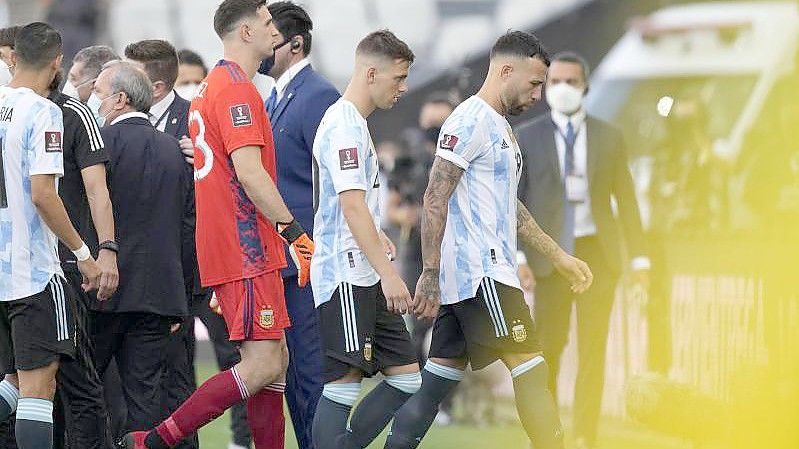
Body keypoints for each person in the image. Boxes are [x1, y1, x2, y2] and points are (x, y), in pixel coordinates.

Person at [384, 31, 593, 449]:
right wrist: (429, 272)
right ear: (505, 70)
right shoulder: (469, 120)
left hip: (476, 277)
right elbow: (434, 194)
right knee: (532, 368)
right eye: (535, 83)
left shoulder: (498, 125)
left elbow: (509, 207)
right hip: (483, 276)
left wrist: (559, 255)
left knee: (433, 387)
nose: (540, 93)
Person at [121, 1, 315, 448]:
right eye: (268, 23)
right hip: (244, 246)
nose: (275, 31)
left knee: (274, 362)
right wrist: (294, 233)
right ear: (246, 32)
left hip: (238, 245)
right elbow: (249, 172)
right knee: (263, 364)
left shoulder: (212, 88)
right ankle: (156, 440)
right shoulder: (235, 90)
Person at [515, 52, 649, 449]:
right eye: (554, 81)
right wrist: (521, 258)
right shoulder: (528, 136)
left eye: (571, 82)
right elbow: (516, 201)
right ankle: (547, 434)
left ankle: (586, 436)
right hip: (548, 257)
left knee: (593, 350)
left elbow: (626, 202)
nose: (562, 89)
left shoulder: (610, 136)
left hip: (597, 255)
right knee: (548, 350)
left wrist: (641, 260)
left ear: (585, 86)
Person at [310, 29, 421, 449]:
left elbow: (353, 204)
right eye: (399, 78)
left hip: (364, 269)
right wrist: (389, 273)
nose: (404, 87)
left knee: (407, 376)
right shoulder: (343, 124)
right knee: (343, 381)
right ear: (371, 72)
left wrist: (377, 234)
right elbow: (351, 205)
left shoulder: (355, 124)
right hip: (345, 273)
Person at [0, 21, 102, 449]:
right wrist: (82, 252)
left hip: (2, 269)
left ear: (15, 57)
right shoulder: (45, 112)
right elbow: (43, 194)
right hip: (34, 273)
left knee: (12, 381)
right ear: (58, 61)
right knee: (39, 390)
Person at [87, 60, 194, 439]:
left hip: (102, 289)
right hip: (159, 295)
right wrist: (180, 294)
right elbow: (186, 226)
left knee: (83, 391)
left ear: (119, 99)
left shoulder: (99, 145)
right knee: (146, 400)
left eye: (98, 93)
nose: (93, 101)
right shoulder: (175, 151)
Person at [259, 2, 340, 447]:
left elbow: (329, 182)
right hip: (281, 260)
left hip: (306, 259)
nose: (264, 50)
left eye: (272, 40)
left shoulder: (317, 96)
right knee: (287, 375)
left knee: (310, 373)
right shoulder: (275, 96)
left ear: (296, 43)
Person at [176, 47, 255, 449]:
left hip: (217, 262)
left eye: (195, 79)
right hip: (177, 269)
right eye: (182, 80)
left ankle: (241, 442)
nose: (190, 87)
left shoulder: (214, 122)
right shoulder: (168, 132)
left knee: (237, 360)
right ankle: (178, 440)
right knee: (176, 364)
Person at [124, 39, 200, 449]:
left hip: (184, 274)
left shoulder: (194, 123)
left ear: (153, 86)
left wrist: (204, 161)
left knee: (179, 379)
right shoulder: (115, 120)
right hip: (133, 273)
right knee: (134, 382)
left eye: (128, 71)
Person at [46, 66, 118, 449]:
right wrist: (97, 252)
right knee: (79, 385)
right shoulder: (73, 113)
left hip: (24, 267)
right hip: (58, 268)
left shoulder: (17, 111)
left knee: (26, 381)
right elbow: (92, 190)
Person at [386, 92, 456, 425]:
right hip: (417, 253)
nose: (432, 130)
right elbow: (392, 207)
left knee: (451, 329)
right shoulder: (408, 158)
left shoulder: (462, 158)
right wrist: (410, 217)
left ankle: (443, 403)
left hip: (454, 254)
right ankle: (413, 395)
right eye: (429, 123)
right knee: (420, 326)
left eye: (440, 124)